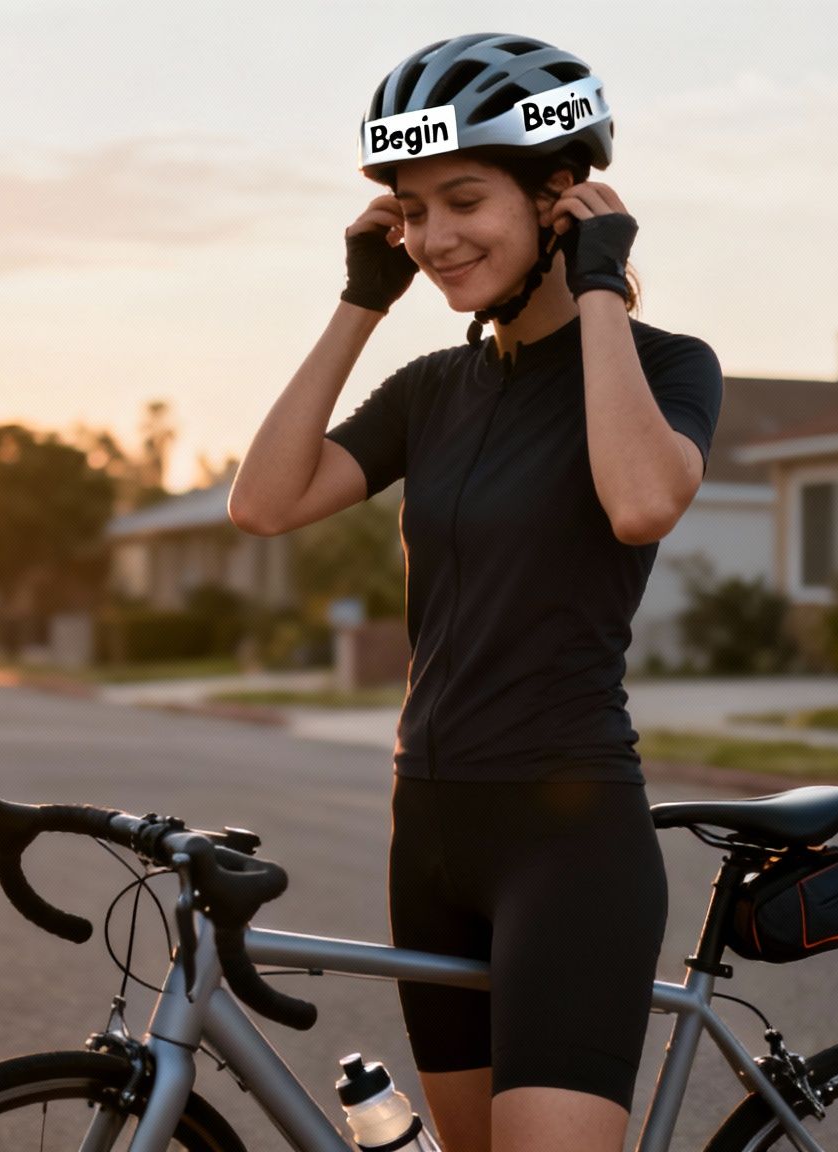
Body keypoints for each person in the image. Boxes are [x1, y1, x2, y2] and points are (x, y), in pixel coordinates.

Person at [228, 33, 724, 1152]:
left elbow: (642, 502)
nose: (433, 237)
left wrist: (598, 283)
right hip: (431, 832)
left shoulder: (670, 367)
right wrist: (360, 302)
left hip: (568, 839)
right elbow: (262, 502)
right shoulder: (429, 389)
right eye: (410, 211)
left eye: (463, 200)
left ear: (560, 197)